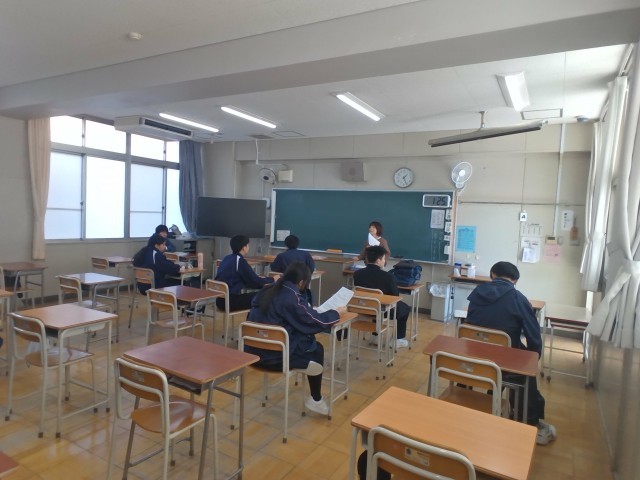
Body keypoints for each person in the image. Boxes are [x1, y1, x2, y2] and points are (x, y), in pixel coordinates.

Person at [465, 260, 557, 446]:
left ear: (492, 274)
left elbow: (471, 323)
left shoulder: (476, 293)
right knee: (525, 369)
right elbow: (533, 336)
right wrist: (533, 359)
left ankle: (472, 403)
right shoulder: (518, 299)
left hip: (473, 357)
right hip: (504, 362)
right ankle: (530, 421)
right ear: (515, 280)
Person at [246, 262, 347, 415]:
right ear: (301, 282)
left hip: (253, 353)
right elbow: (314, 322)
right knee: (316, 348)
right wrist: (336, 313)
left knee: (300, 337)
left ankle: (314, 386)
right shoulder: (291, 297)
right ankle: (316, 399)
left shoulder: (267, 290)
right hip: (276, 359)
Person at [353, 245, 410, 348]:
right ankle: (397, 339)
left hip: (363, 308)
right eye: (384, 258)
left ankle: (375, 336)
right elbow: (395, 297)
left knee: (374, 302)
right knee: (404, 308)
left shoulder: (357, 274)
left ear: (367, 259)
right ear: (378, 260)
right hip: (382, 311)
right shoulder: (388, 277)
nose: (384, 261)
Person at [215, 235, 278, 311]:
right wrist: (272, 279)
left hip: (219, 300)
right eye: (248, 245)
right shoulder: (240, 261)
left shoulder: (227, 258)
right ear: (244, 247)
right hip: (230, 302)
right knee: (266, 295)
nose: (248, 247)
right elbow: (254, 281)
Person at [270, 235, 316, 304]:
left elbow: (274, 268)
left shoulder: (281, 256)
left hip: (286, 286)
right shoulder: (306, 254)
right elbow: (312, 268)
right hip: (303, 285)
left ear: (285, 244)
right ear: (297, 243)